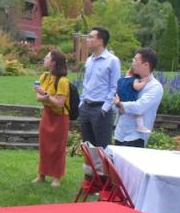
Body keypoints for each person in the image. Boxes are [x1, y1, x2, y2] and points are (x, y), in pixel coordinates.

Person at [33, 50, 71, 187]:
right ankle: (41, 175)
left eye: (47, 57)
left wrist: (46, 95)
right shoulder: (44, 77)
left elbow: (59, 103)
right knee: (44, 145)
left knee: (58, 147)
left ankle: (56, 177)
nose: (44, 58)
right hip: (47, 114)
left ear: (54, 63)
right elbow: (38, 98)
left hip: (60, 117)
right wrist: (46, 97)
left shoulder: (63, 81)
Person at [78, 27, 121, 148]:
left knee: (102, 149)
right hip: (86, 107)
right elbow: (86, 83)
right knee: (88, 148)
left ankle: (102, 168)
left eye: (91, 37)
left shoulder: (112, 61)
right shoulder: (89, 60)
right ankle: (90, 167)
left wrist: (106, 107)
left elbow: (115, 86)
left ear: (100, 41)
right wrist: (81, 103)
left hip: (101, 109)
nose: (87, 39)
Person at [112, 47, 163, 147]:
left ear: (146, 64)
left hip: (136, 136)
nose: (133, 63)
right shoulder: (129, 81)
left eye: (135, 60)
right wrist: (117, 105)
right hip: (120, 133)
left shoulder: (155, 87)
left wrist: (120, 104)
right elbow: (114, 103)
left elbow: (139, 107)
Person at [116, 66, 152, 134]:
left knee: (121, 112)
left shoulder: (120, 80)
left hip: (121, 99)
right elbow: (137, 87)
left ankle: (118, 119)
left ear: (128, 72)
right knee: (138, 112)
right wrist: (145, 82)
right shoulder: (133, 80)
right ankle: (140, 126)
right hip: (130, 99)